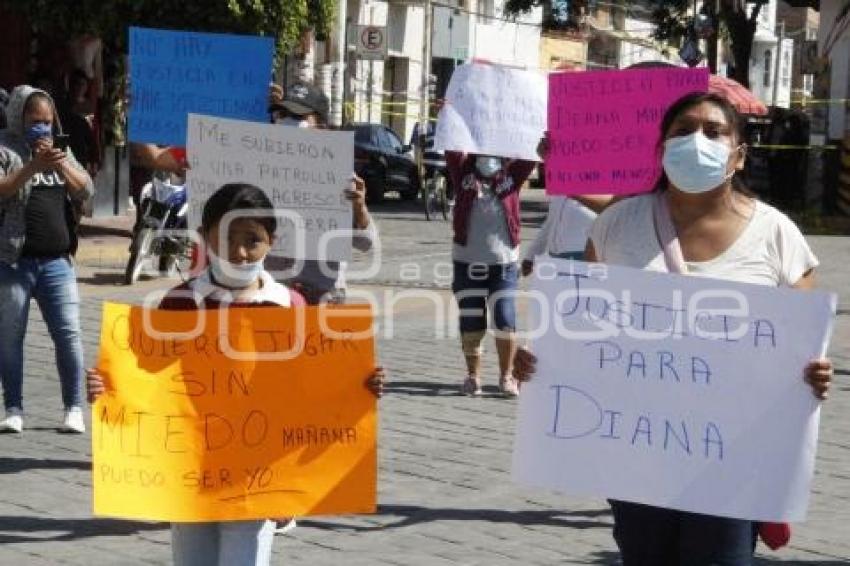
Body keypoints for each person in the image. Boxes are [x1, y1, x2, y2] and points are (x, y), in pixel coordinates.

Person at [513, 91, 833, 565]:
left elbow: (799, 347)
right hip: (637, 459)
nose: (696, 140)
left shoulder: (777, 236)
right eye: (682, 131)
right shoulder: (617, 226)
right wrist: (544, 360)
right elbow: (586, 330)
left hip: (734, 462)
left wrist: (813, 375)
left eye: (714, 131)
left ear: (739, 154)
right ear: (661, 148)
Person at [86, 182, 385, 565]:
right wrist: (108, 386)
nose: (240, 252)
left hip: (256, 478)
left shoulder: (290, 307)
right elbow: (146, 378)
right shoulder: (178, 303)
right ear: (205, 236)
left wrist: (359, 385)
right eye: (227, 237)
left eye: (252, 240)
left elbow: (312, 390)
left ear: (271, 242)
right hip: (188, 472)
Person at [0, 85, 94, 434]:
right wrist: (31, 165)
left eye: (47, 121)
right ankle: (13, 407)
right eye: (33, 120)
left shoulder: (60, 151)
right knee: (10, 336)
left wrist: (60, 165)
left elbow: (86, 191)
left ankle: (72, 408)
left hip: (56, 261)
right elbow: (3, 189)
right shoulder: (5, 148)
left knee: (68, 334)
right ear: (18, 117)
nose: (41, 127)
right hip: (13, 261)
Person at [266, 80, 378, 305]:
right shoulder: (262, 167)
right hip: (272, 294)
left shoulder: (337, 174)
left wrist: (359, 208)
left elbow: (366, 245)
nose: (289, 121)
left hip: (322, 296)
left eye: (299, 117)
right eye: (284, 114)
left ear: (321, 125)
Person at [446, 149, 537, 398]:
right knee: (471, 320)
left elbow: (531, 154)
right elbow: (452, 146)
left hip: (504, 265)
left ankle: (506, 376)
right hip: (467, 262)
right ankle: (473, 376)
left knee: (504, 317)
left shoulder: (512, 174)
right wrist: (447, 112)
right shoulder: (463, 170)